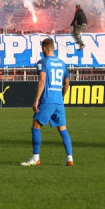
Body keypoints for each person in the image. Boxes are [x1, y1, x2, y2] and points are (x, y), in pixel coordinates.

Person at [21, 38, 74, 167]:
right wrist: (61, 96)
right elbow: (67, 83)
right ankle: (70, 159)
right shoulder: (62, 63)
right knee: (63, 129)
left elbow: (42, 80)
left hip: (47, 100)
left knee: (36, 127)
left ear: (44, 49)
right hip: (59, 101)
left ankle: (36, 158)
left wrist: (36, 100)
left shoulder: (43, 62)